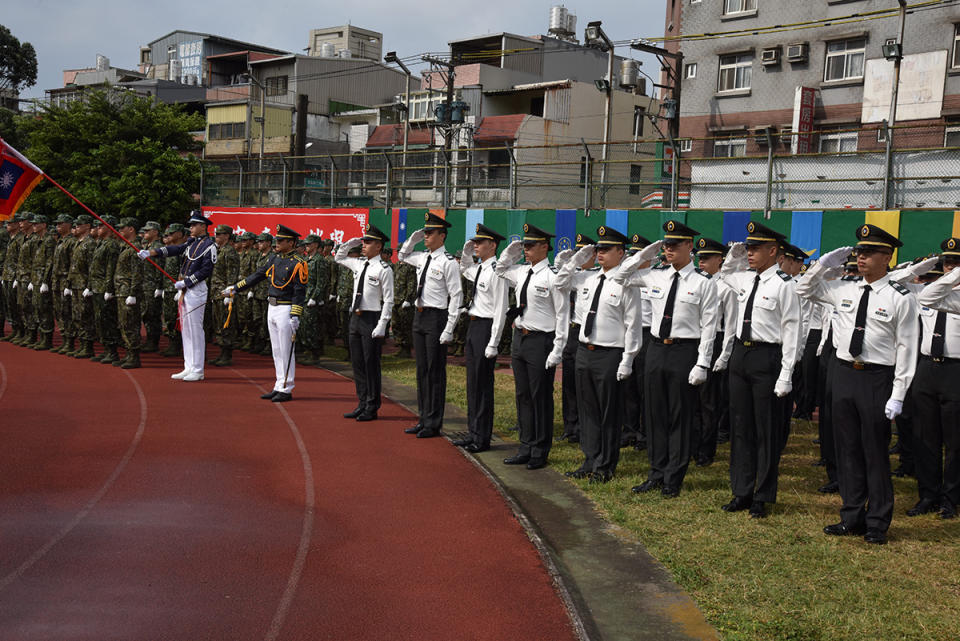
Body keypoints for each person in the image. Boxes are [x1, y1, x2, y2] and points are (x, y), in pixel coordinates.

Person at [797, 224, 918, 545]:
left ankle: (878, 521)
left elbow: (907, 348)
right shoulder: (844, 288)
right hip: (844, 374)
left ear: (887, 257)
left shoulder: (900, 298)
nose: (860, 257)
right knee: (847, 448)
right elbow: (803, 289)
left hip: (877, 378)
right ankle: (851, 516)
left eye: (868, 253)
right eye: (858, 252)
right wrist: (822, 265)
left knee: (875, 451)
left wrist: (899, 394)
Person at [615, 221, 719, 498]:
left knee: (679, 417)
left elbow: (709, 325)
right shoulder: (654, 275)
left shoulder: (703, 283)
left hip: (684, 351)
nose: (669, 249)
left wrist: (703, 362)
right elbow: (620, 276)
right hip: (656, 349)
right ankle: (656, 472)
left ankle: (674, 477)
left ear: (689, 247)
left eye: (675, 245)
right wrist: (642, 256)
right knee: (655, 415)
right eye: (666, 244)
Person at [715, 222, 801, 519]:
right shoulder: (745, 279)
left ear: (773, 251)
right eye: (748, 248)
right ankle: (741, 490)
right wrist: (733, 257)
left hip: (768, 356)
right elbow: (724, 275)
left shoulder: (785, 285)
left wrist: (786, 373)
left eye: (755, 248)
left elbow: (792, 331)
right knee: (741, 427)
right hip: (742, 354)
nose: (749, 253)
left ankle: (761, 496)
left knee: (766, 430)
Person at [558, 226, 640, 482]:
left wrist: (628, 360)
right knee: (588, 410)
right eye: (598, 249)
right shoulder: (587, 278)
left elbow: (633, 325)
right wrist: (576, 261)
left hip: (609, 354)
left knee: (608, 412)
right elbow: (560, 282)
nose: (600, 253)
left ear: (621, 253)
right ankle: (590, 459)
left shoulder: (627, 283)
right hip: (585, 350)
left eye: (606, 249)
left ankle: (605, 465)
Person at [494, 223, 569, 469]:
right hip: (521, 339)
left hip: (541, 340)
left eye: (530, 245)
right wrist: (510, 251)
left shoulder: (553, 276)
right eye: (524, 245)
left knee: (540, 397)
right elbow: (500, 269)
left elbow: (562, 314)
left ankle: (540, 449)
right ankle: (525, 445)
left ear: (544, 247)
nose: (526, 250)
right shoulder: (522, 271)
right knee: (523, 395)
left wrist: (558, 348)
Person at [224, 224, 308, 402]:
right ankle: (279, 384)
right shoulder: (274, 259)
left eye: (281, 240)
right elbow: (257, 275)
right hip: (272, 306)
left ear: (291, 243)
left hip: (285, 308)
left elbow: (299, 291)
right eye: (277, 240)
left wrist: (295, 314)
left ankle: (287, 387)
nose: (277, 243)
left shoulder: (299, 264)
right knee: (276, 350)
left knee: (286, 350)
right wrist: (236, 288)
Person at [398, 213, 463, 438]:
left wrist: (449, 328)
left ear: (442, 236)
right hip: (420, 315)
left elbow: (456, 296)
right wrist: (412, 240)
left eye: (429, 233)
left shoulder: (448, 263)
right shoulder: (423, 257)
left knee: (435, 372)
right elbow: (402, 255)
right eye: (424, 232)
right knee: (422, 371)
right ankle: (423, 418)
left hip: (437, 318)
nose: (425, 235)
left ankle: (433, 422)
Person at [138, 210, 217, 382]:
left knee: (195, 330)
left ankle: (198, 369)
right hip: (185, 289)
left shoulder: (209, 246)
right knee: (186, 330)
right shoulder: (191, 243)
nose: (191, 228)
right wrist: (152, 253)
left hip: (196, 289)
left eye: (194, 225)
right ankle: (189, 366)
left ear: (203, 226)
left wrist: (187, 282)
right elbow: (175, 249)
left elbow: (206, 270)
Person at [451, 223, 509, 453]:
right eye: (474, 242)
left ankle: (482, 437)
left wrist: (494, 342)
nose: (475, 245)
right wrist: (467, 252)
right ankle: (473, 431)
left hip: (486, 328)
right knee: (472, 383)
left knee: (483, 385)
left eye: (479, 242)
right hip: (474, 326)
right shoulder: (481, 267)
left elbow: (500, 309)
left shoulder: (496, 271)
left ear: (492, 245)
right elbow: (465, 268)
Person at [913, 239, 960, 520]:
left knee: (955, 440)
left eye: (955, 263)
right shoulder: (930, 291)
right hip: (928, 367)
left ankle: (951, 497)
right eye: (947, 263)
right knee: (925, 437)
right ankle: (927, 494)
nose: (950, 268)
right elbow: (926, 297)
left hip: (955, 370)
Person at [336, 224, 394, 421]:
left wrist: (382, 325)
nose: (363, 245)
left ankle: (372, 405)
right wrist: (348, 243)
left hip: (372, 318)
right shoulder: (359, 263)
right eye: (363, 241)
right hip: (356, 318)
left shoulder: (384, 269)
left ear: (378, 246)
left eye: (368, 242)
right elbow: (338, 257)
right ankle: (362, 402)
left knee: (371, 364)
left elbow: (388, 300)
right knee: (358, 363)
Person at [694, 237, 737, 467]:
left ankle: (706, 450)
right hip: (695, 338)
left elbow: (730, 325)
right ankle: (692, 444)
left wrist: (724, 355)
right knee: (692, 400)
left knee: (709, 402)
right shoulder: (696, 282)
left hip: (717, 340)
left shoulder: (726, 287)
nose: (701, 262)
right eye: (700, 257)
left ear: (720, 260)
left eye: (707, 258)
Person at [556, 233, 597, 445]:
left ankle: (583, 427)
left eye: (586, 254)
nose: (582, 257)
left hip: (588, 331)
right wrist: (571, 262)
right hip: (572, 331)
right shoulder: (576, 275)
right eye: (579, 252)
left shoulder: (596, 276)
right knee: (569, 383)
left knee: (584, 386)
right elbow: (560, 281)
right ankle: (570, 426)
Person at [89, 215, 123, 364]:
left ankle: (112, 352)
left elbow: (111, 268)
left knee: (107, 320)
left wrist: (109, 289)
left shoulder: (111, 245)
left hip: (104, 288)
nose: (97, 228)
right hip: (97, 287)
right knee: (100, 321)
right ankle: (106, 350)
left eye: (100, 226)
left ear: (109, 228)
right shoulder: (101, 243)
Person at [112, 217, 144, 369]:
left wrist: (133, 293)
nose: (120, 230)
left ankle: (134, 356)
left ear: (131, 229)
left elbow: (137, 273)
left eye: (122, 227)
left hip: (128, 293)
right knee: (123, 324)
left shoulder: (136, 248)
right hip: (121, 291)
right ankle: (128, 354)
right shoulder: (125, 246)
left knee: (130, 324)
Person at [65, 215, 97, 359]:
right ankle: (82, 345)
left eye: (79, 225)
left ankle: (88, 347)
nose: (76, 227)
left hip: (84, 285)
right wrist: (69, 284)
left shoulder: (89, 243)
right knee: (77, 315)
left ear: (87, 226)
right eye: (75, 225)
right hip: (76, 284)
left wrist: (89, 286)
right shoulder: (78, 243)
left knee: (86, 316)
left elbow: (92, 267)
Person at [209, 224, 240, 367]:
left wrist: (230, 293)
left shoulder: (230, 252)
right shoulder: (220, 251)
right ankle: (222, 353)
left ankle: (227, 355)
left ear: (227, 236)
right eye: (216, 234)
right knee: (218, 324)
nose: (217, 237)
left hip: (224, 295)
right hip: (217, 294)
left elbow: (232, 275)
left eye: (219, 234)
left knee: (226, 325)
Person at [29, 214, 58, 351]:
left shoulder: (48, 241)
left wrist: (45, 281)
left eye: (36, 224)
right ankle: (41, 338)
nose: (34, 226)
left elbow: (49, 262)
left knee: (44, 309)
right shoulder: (38, 240)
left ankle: (47, 339)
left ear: (44, 225)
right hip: (36, 279)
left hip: (43, 280)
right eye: (33, 224)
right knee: (37, 308)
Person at [51, 214, 77, 354]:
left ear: (68, 224)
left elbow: (72, 265)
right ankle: (64, 340)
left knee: (67, 312)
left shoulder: (71, 242)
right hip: (57, 281)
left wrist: (68, 284)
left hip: (65, 281)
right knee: (59, 311)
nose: (58, 226)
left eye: (61, 223)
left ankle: (70, 342)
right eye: (57, 223)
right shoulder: (61, 241)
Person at [160, 223, 186, 358]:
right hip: (169, 288)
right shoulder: (171, 249)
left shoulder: (183, 250)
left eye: (172, 233)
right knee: (170, 318)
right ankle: (173, 344)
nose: (169, 235)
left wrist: (181, 289)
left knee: (178, 319)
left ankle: (177, 346)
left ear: (180, 234)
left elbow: (184, 270)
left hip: (178, 289)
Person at [139, 221, 165, 353]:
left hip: (152, 286)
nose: (145, 233)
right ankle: (149, 340)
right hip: (145, 285)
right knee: (146, 314)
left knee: (152, 315)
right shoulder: (147, 247)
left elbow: (160, 269)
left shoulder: (158, 248)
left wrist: (159, 287)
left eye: (148, 231)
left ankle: (153, 342)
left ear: (155, 232)